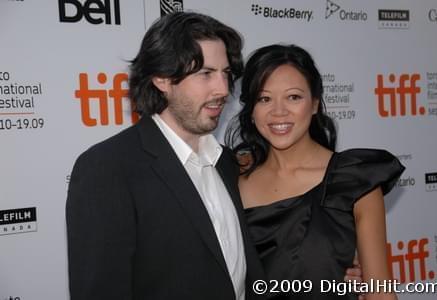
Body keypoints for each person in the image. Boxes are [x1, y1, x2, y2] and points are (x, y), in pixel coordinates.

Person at [66, 12, 362, 300]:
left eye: (226, 74)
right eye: (205, 74)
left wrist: (324, 274)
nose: (223, 90)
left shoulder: (231, 165)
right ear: (162, 79)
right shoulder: (108, 168)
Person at [227, 44, 405, 299]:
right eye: (264, 99)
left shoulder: (354, 180)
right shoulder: (231, 179)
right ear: (251, 110)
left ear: (314, 104)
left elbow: (380, 293)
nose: (279, 111)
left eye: (293, 97)